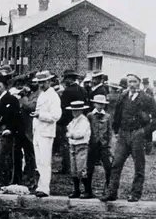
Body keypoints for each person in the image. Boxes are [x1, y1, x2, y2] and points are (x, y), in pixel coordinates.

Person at [102, 74, 156, 202]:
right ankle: (112, 192)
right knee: (116, 164)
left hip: (137, 135)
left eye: (134, 82)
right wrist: (116, 130)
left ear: (139, 83)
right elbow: (117, 115)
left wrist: (144, 131)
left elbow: (155, 118)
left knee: (139, 166)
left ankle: (135, 194)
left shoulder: (147, 98)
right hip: (123, 134)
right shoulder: (123, 96)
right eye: (129, 82)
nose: (131, 84)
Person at [31, 70, 62, 198]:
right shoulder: (42, 94)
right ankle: (40, 185)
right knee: (39, 161)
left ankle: (45, 188)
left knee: (45, 161)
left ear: (49, 81)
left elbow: (56, 116)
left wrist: (40, 115)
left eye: (43, 82)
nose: (41, 85)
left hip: (46, 132)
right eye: (39, 83)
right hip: (38, 131)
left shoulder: (53, 96)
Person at [0, 75, 22, 186]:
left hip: (6, 132)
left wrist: (10, 129)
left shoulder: (12, 100)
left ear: (5, 87)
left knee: (2, 155)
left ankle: (5, 181)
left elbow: (15, 117)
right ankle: (0, 179)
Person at [86, 94, 112, 198]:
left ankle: (108, 190)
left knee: (108, 167)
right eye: (98, 103)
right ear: (94, 104)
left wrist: (109, 145)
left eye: (103, 104)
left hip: (104, 146)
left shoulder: (107, 116)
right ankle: (88, 190)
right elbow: (87, 131)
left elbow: (110, 132)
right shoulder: (90, 116)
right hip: (92, 145)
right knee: (89, 168)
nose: (100, 106)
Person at [65, 100, 91, 198]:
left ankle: (87, 190)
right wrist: (70, 135)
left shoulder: (84, 120)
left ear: (81, 111)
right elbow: (68, 130)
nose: (74, 112)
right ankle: (76, 190)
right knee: (74, 169)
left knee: (81, 168)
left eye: (76, 110)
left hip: (81, 145)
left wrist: (71, 135)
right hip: (73, 145)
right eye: (73, 110)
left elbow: (80, 134)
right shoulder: (73, 120)